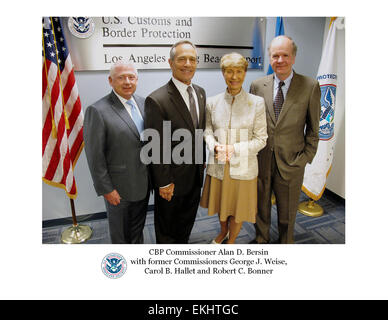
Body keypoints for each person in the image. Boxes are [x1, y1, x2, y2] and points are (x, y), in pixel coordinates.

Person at [249, 35, 321, 244]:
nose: (280, 60)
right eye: (275, 56)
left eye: (285, 55)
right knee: (260, 207)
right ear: (270, 58)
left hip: (292, 161)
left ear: (294, 58)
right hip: (261, 160)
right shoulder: (256, 85)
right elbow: (252, 124)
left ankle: (285, 243)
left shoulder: (310, 86)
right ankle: (261, 239)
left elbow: (314, 130)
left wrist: (305, 158)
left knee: (287, 213)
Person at [200, 52, 268, 244]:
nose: (234, 76)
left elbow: (261, 139)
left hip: (244, 167)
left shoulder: (256, 103)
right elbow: (207, 131)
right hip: (219, 165)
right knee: (222, 207)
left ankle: (231, 241)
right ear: (223, 73)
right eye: (229, 71)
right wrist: (214, 146)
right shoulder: (212, 102)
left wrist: (234, 149)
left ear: (245, 73)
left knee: (238, 210)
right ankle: (223, 232)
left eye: (239, 71)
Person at [144, 40, 206, 244]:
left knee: (186, 223)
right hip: (171, 180)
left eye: (192, 59)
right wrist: (163, 182)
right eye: (182, 59)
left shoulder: (200, 92)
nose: (187, 64)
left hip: (195, 175)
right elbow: (155, 146)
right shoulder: (157, 99)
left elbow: (198, 131)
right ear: (170, 63)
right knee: (167, 229)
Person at [83, 62, 150, 244]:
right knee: (120, 234)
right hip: (118, 188)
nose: (127, 82)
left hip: (143, 183)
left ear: (137, 80)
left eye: (131, 77)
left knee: (138, 228)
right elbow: (94, 155)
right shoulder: (97, 110)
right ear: (110, 81)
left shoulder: (144, 103)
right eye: (121, 77)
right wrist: (107, 189)